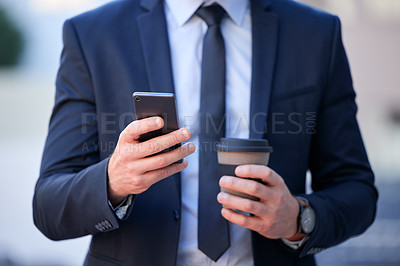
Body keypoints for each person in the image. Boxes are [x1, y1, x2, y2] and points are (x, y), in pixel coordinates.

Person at [33, 0, 378, 265]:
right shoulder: (93, 35)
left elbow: (356, 189)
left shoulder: (315, 34)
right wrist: (112, 181)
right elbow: (49, 204)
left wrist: (298, 218)